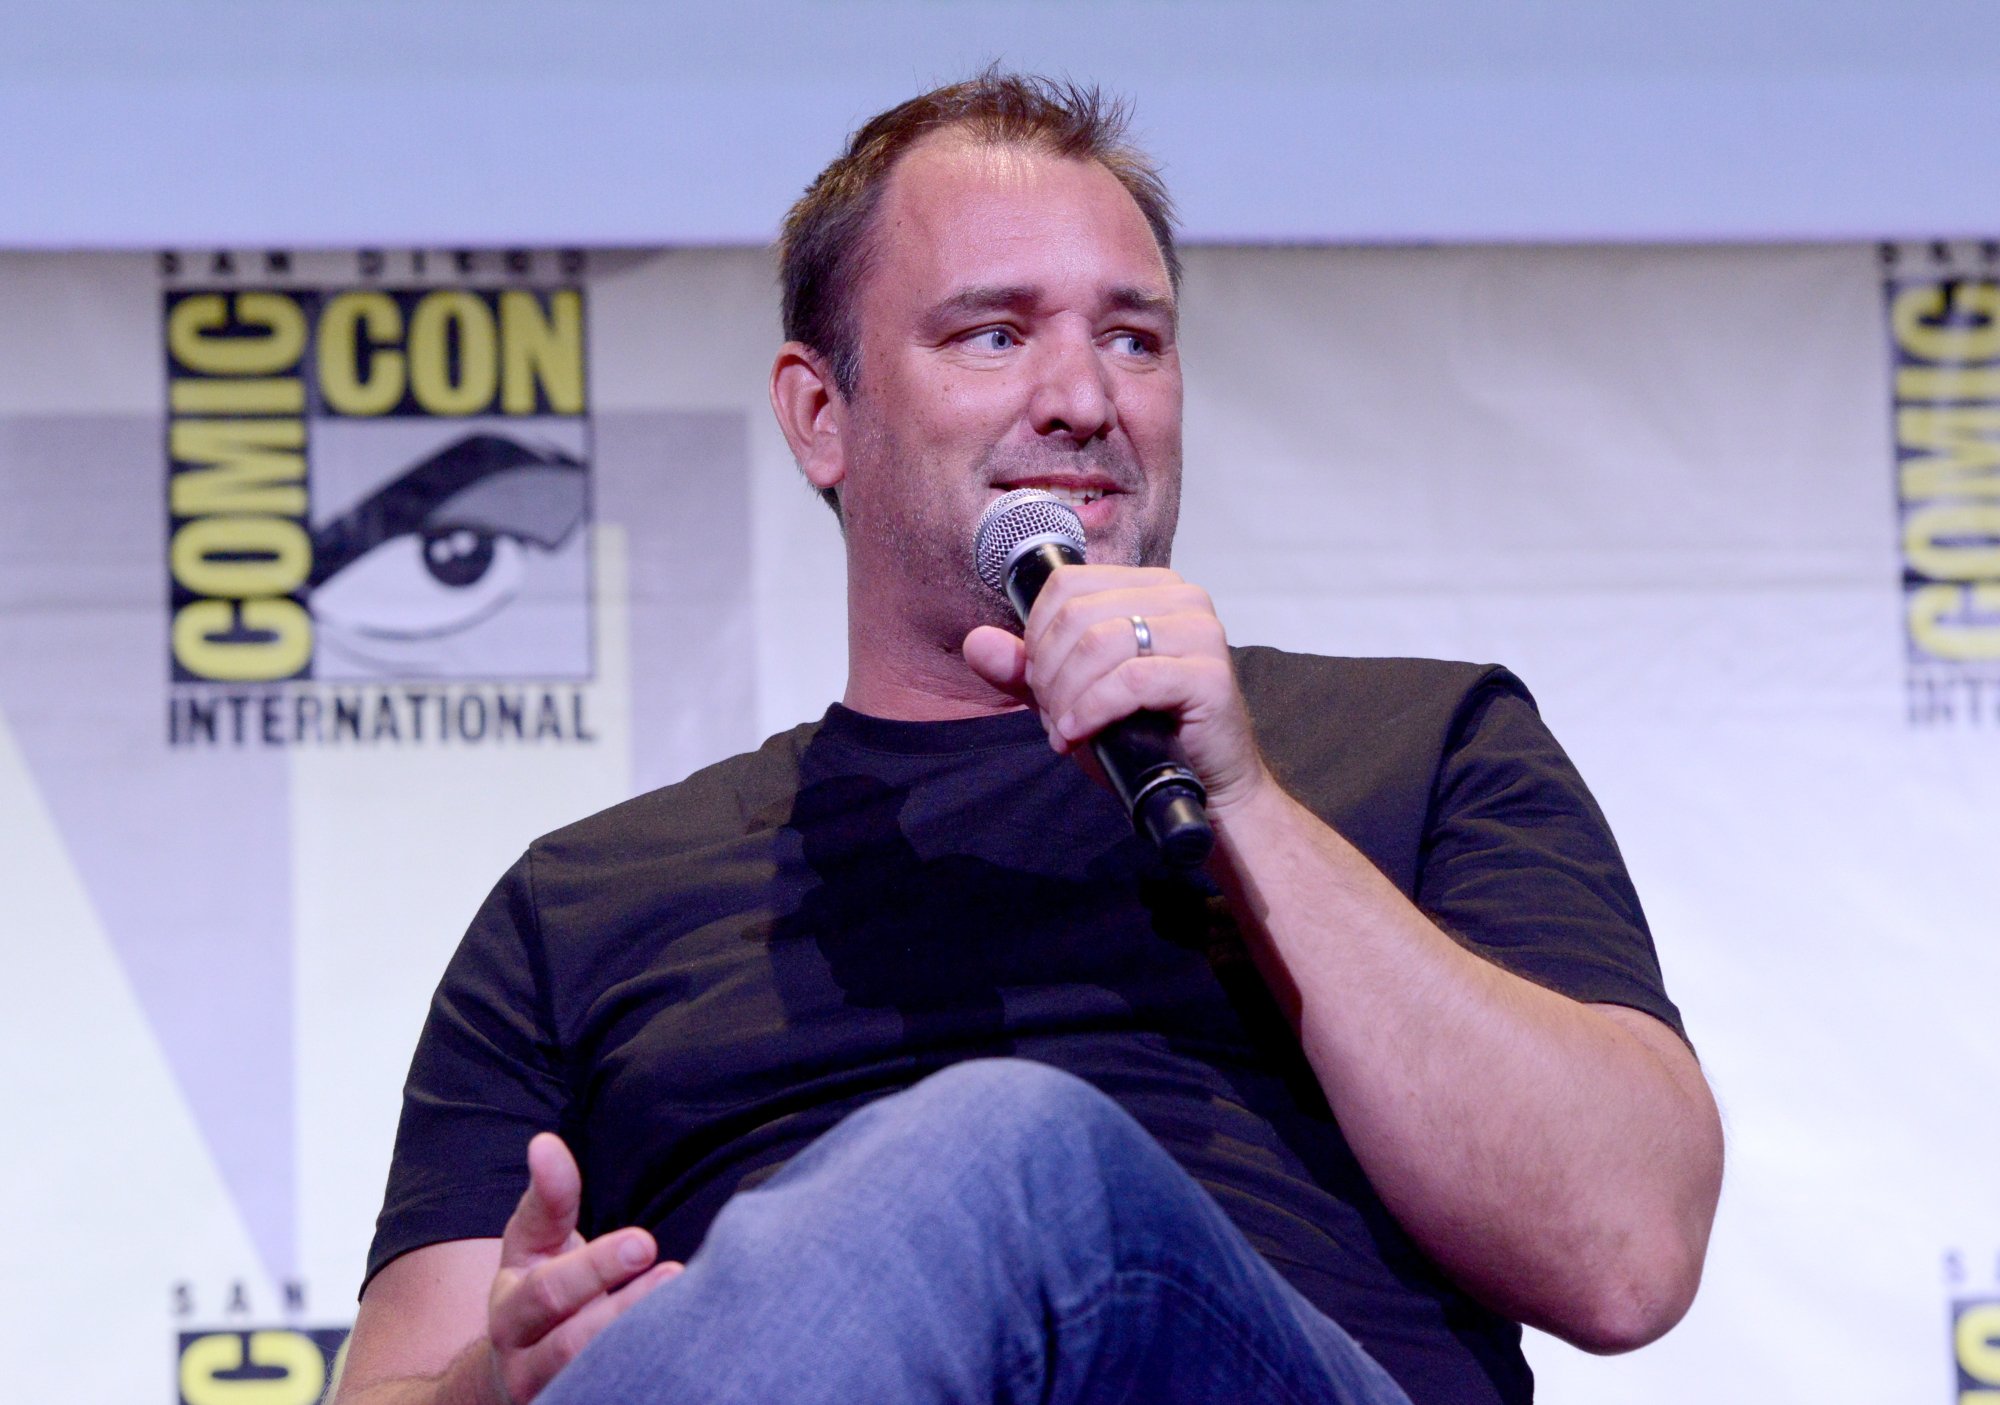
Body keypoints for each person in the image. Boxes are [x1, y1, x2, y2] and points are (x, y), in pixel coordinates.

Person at [334, 73, 1724, 1405]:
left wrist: (1240, 795)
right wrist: (498, 1384)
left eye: (1135, 337)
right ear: (824, 414)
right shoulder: (583, 904)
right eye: (994, 333)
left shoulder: (1420, 743)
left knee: (1011, 1159)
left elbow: (1625, 1251)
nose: (1083, 397)